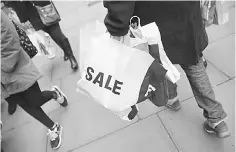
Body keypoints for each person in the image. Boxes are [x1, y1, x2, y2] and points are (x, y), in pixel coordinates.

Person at [103, 1, 230, 138]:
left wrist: (116, 27)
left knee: (161, 59)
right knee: (194, 63)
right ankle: (216, 118)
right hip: (185, 13)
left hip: (152, 18)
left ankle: (171, 97)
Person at [1, 10, 67, 150]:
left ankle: (54, 93)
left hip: (14, 68)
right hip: (2, 82)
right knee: (24, 104)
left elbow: (10, 38)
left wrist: (3, 68)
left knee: (35, 100)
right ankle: (53, 127)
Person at [3, 1, 78, 71]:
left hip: (42, 7)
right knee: (51, 33)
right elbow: (7, 3)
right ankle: (65, 50)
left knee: (57, 33)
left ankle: (71, 56)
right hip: (31, 14)